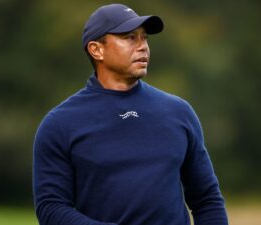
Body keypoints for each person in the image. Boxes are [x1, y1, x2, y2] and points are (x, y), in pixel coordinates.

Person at [33, 3, 228, 225]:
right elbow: (51, 208)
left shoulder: (178, 112)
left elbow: (207, 200)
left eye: (144, 38)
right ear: (97, 50)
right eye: (129, 38)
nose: (143, 46)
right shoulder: (60, 124)